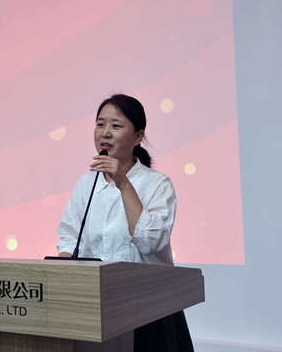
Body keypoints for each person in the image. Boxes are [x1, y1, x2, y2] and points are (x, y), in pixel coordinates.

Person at [56, 94, 194, 352]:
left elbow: (150, 242)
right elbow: (69, 239)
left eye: (116, 125)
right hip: (94, 308)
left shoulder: (157, 184)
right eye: (100, 124)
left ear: (138, 137)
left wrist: (123, 182)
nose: (105, 132)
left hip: (149, 312)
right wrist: (60, 279)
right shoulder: (86, 184)